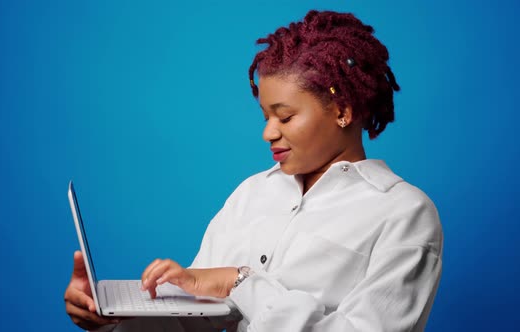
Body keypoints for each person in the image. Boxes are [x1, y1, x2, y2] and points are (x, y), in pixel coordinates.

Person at [65, 10, 443, 332]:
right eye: (265, 116)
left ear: (342, 109)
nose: (268, 133)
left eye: (285, 116)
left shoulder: (404, 214)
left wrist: (241, 281)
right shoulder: (252, 193)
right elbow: (195, 318)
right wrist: (112, 317)